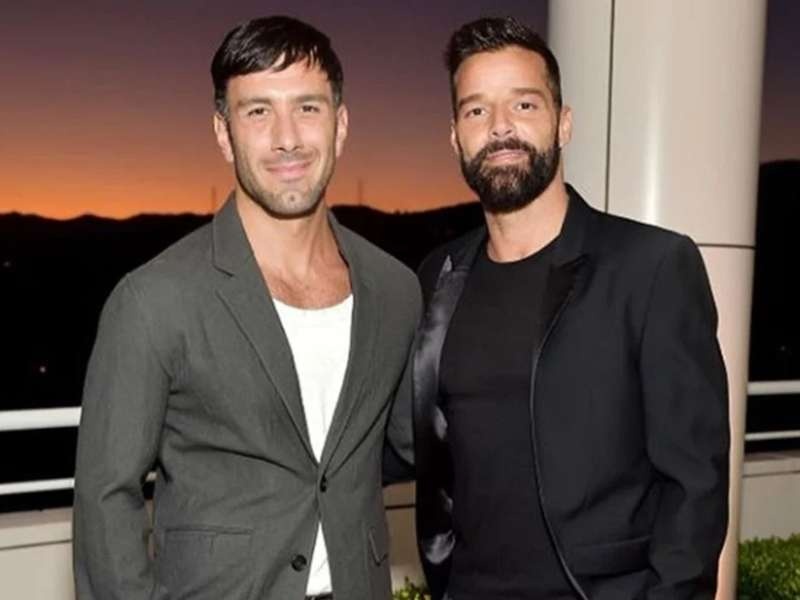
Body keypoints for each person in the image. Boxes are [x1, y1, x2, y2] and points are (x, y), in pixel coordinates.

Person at [73, 16, 420, 600]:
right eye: (258, 111)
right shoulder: (153, 300)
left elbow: (408, 447)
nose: (287, 138)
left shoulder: (395, 289)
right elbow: (106, 502)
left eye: (307, 108)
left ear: (340, 125)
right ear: (223, 132)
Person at [395, 16, 729, 600]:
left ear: (563, 122)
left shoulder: (651, 266)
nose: (500, 127)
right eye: (476, 110)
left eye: (523, 105)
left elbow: (695, 486)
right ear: (455, 137)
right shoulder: (437, 276)